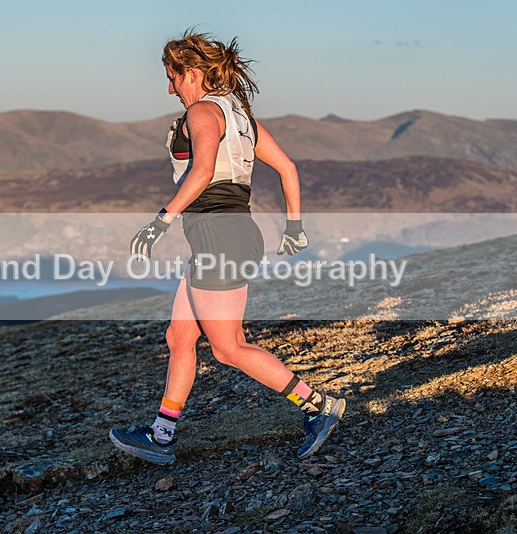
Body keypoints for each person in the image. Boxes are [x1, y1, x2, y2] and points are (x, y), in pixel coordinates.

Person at [110, 30, 345, 465]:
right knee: (180, 336)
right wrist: (293, 226)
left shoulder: (202, 111)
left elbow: (200, 172)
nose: (170, 88)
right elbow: (288, 168)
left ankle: (320, 406)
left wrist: (160, 222)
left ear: (192, 73)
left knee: (227, 347)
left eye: (172, 77)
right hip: (224, 236)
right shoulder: (239, 114)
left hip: (220, 237)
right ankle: (162, 434)